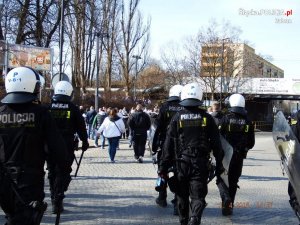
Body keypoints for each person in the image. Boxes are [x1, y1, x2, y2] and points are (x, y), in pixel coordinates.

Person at [0, 67, 69, 224]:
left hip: (3, 179)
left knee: (13, 217)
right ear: (30, 85)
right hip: (29, 180)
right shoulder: (41, 113)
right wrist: (62, 175)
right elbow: (58, 149)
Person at [158, 83, 224, 225]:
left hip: (181, 164)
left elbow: (168, 145)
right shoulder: (207, 118)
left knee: (181, 195)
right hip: (200, 164)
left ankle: (184, 221)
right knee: (198, 196)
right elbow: (217, 145)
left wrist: (162, 166)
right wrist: (219, 165)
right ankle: (195, 218)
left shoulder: (177, 118)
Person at [48, 80, 89, 214]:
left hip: (49, 145)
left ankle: (54, 195)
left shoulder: (48, 107)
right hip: (66, 144)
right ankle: (58, 196)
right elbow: (81, 126)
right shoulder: (73, 108)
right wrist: (84, 141)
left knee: (52, 171)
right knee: (64, 171)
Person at [217, 93, 255, 216]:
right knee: (233, 181)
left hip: (225, 156)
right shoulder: (248, 121)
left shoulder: (225, 118)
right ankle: (229, 206)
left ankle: (226, 199)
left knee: (221, 179)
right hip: (239, 157)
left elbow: (218, 137)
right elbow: (251, 142)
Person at [154, 84, 183, 214]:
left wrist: (155, 144)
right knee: (179, 173)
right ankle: (178, 201)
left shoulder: (165, 106)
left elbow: (158, 126)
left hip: (165, 144)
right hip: (182, 145)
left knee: (162, 170)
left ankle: (162, 197)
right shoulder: (184, 107)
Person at [289, 110, 300, 222]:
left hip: (298, 160)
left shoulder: (297, 116)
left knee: (294, 191)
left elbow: (292, 136)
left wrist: (289, 157)